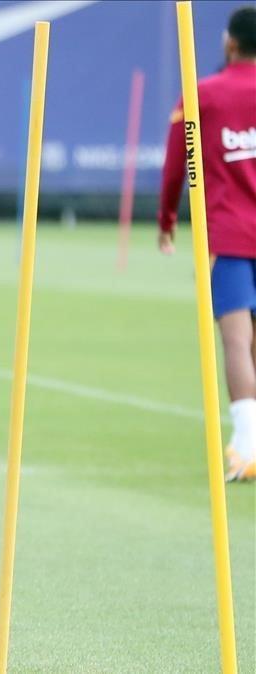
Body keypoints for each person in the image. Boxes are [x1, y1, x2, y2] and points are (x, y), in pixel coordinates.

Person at [158, 6, 256, 482]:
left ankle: (246, 445)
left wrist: (165, 218)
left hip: (230, 233)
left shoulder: (205, 94)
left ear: (230, 43)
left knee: (237, 339)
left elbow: (179, 161)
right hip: (234, 231)